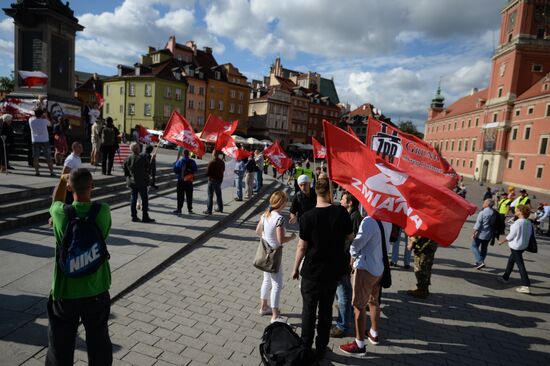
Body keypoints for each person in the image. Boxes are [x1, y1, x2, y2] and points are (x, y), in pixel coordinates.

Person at [46, 168, 112, 365]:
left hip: (65, 292)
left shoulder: (59, 213)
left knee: (60, 346)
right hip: (97, 289)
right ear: (92, 186)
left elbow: (54, 203)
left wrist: (62, 179)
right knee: (99, 342)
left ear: (69, 187)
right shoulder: (103, 211)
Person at [292, 178, 353, 361]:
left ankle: (305, 346)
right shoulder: (341, 213)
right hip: (331, 272)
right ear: (330, 192)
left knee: (308, 311)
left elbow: (302, 247)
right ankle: (321, 348)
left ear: (316, 192)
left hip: (311, 272)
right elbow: (350, 236)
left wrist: (295, 268)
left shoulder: (307, 217)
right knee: (326, 312)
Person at [338, 214, 391, 356]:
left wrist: (352, 256)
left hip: (366, 268)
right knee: (373, 301)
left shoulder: (369, 221)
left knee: (359, 306)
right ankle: (374, 332)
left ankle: (359, 343)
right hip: (379, 267)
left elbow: (357, 244)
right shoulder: (387, 219)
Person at [257, 191, 296, 323]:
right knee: (277, 284)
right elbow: (280, 240)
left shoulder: (265, 214)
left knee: (266, 280)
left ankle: (263, 307)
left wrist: (266, 236)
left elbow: (257, 231)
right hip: (274, 255)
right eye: (286, 201)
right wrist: (291, 237)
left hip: (265, 252)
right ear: (282, 203)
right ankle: (275, 316)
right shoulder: (279, 218)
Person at [330, 191, 362, 338]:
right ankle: (344, 318)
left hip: (344, 260)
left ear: (350, 203)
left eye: (342, 200)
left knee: (343, 294)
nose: (340, 201)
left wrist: (351, 257)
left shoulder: (354, 217)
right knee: (342, 292)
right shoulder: (348, 215)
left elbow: (353, 240)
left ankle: (342, 326)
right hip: (342, 259)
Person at [498, 205, 533, 294]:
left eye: (516, 211)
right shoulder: (528, 222)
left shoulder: (517, 223)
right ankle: (505, 277)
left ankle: (526, 285)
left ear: (520, 212)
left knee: (520, 265)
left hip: (516, 246)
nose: (515, 212)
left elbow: (511, 235)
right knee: (511, 260)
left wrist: (502, 241)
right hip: (523, 246)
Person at [124, 142, 155, 223]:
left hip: (132, 181)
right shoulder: (142, 158)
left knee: (133, 199)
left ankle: (133, 216)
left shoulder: (127, 158)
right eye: (138, 147)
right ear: (137, 149)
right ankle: (145, 216)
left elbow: (126, 172)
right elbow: (148, 168)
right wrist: (152, 159)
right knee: (144, 200)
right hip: (142, 182)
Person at [471, 199, 496, 270]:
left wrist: (473, 233)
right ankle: (480, 262)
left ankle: (480, 261)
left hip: (481, 233)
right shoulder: (493, 212)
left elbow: (478, 224)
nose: (483, 203)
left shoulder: (482, 212)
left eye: (484, 202)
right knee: (484, 248)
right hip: (489, 234)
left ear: (487, 204)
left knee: (474, 246)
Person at [30, 108, 55, 177]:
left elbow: (32, 116)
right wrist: (46, 116)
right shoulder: (44, 121)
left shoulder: (31, 120)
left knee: (36, 158)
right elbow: (50, 124)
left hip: (35, 140)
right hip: (44, 140)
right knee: (48, 157)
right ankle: (51, 172)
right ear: (42, 114)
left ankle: (37, 172)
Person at [173, 149, 198, 214]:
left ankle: (179, 209)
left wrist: (175, 164)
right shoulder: (192, 161)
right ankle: (190, 209)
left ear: (183, 154)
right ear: (189, 154)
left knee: (180, 196)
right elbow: (195, 169)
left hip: (181, 181)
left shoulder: (180, 161)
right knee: (189, 195)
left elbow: (175, 170)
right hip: (189, 181)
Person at [204, 150, 225, 215]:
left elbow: (207, 173)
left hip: (212, 180)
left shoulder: (212, 162)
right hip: (219, 180)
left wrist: (208, 174)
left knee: (210, 195)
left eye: (212, 153)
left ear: (213, 154)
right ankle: (220, 208)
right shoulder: (221, 162)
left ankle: (209, 210)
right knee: (218, 194)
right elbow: (223, 170)